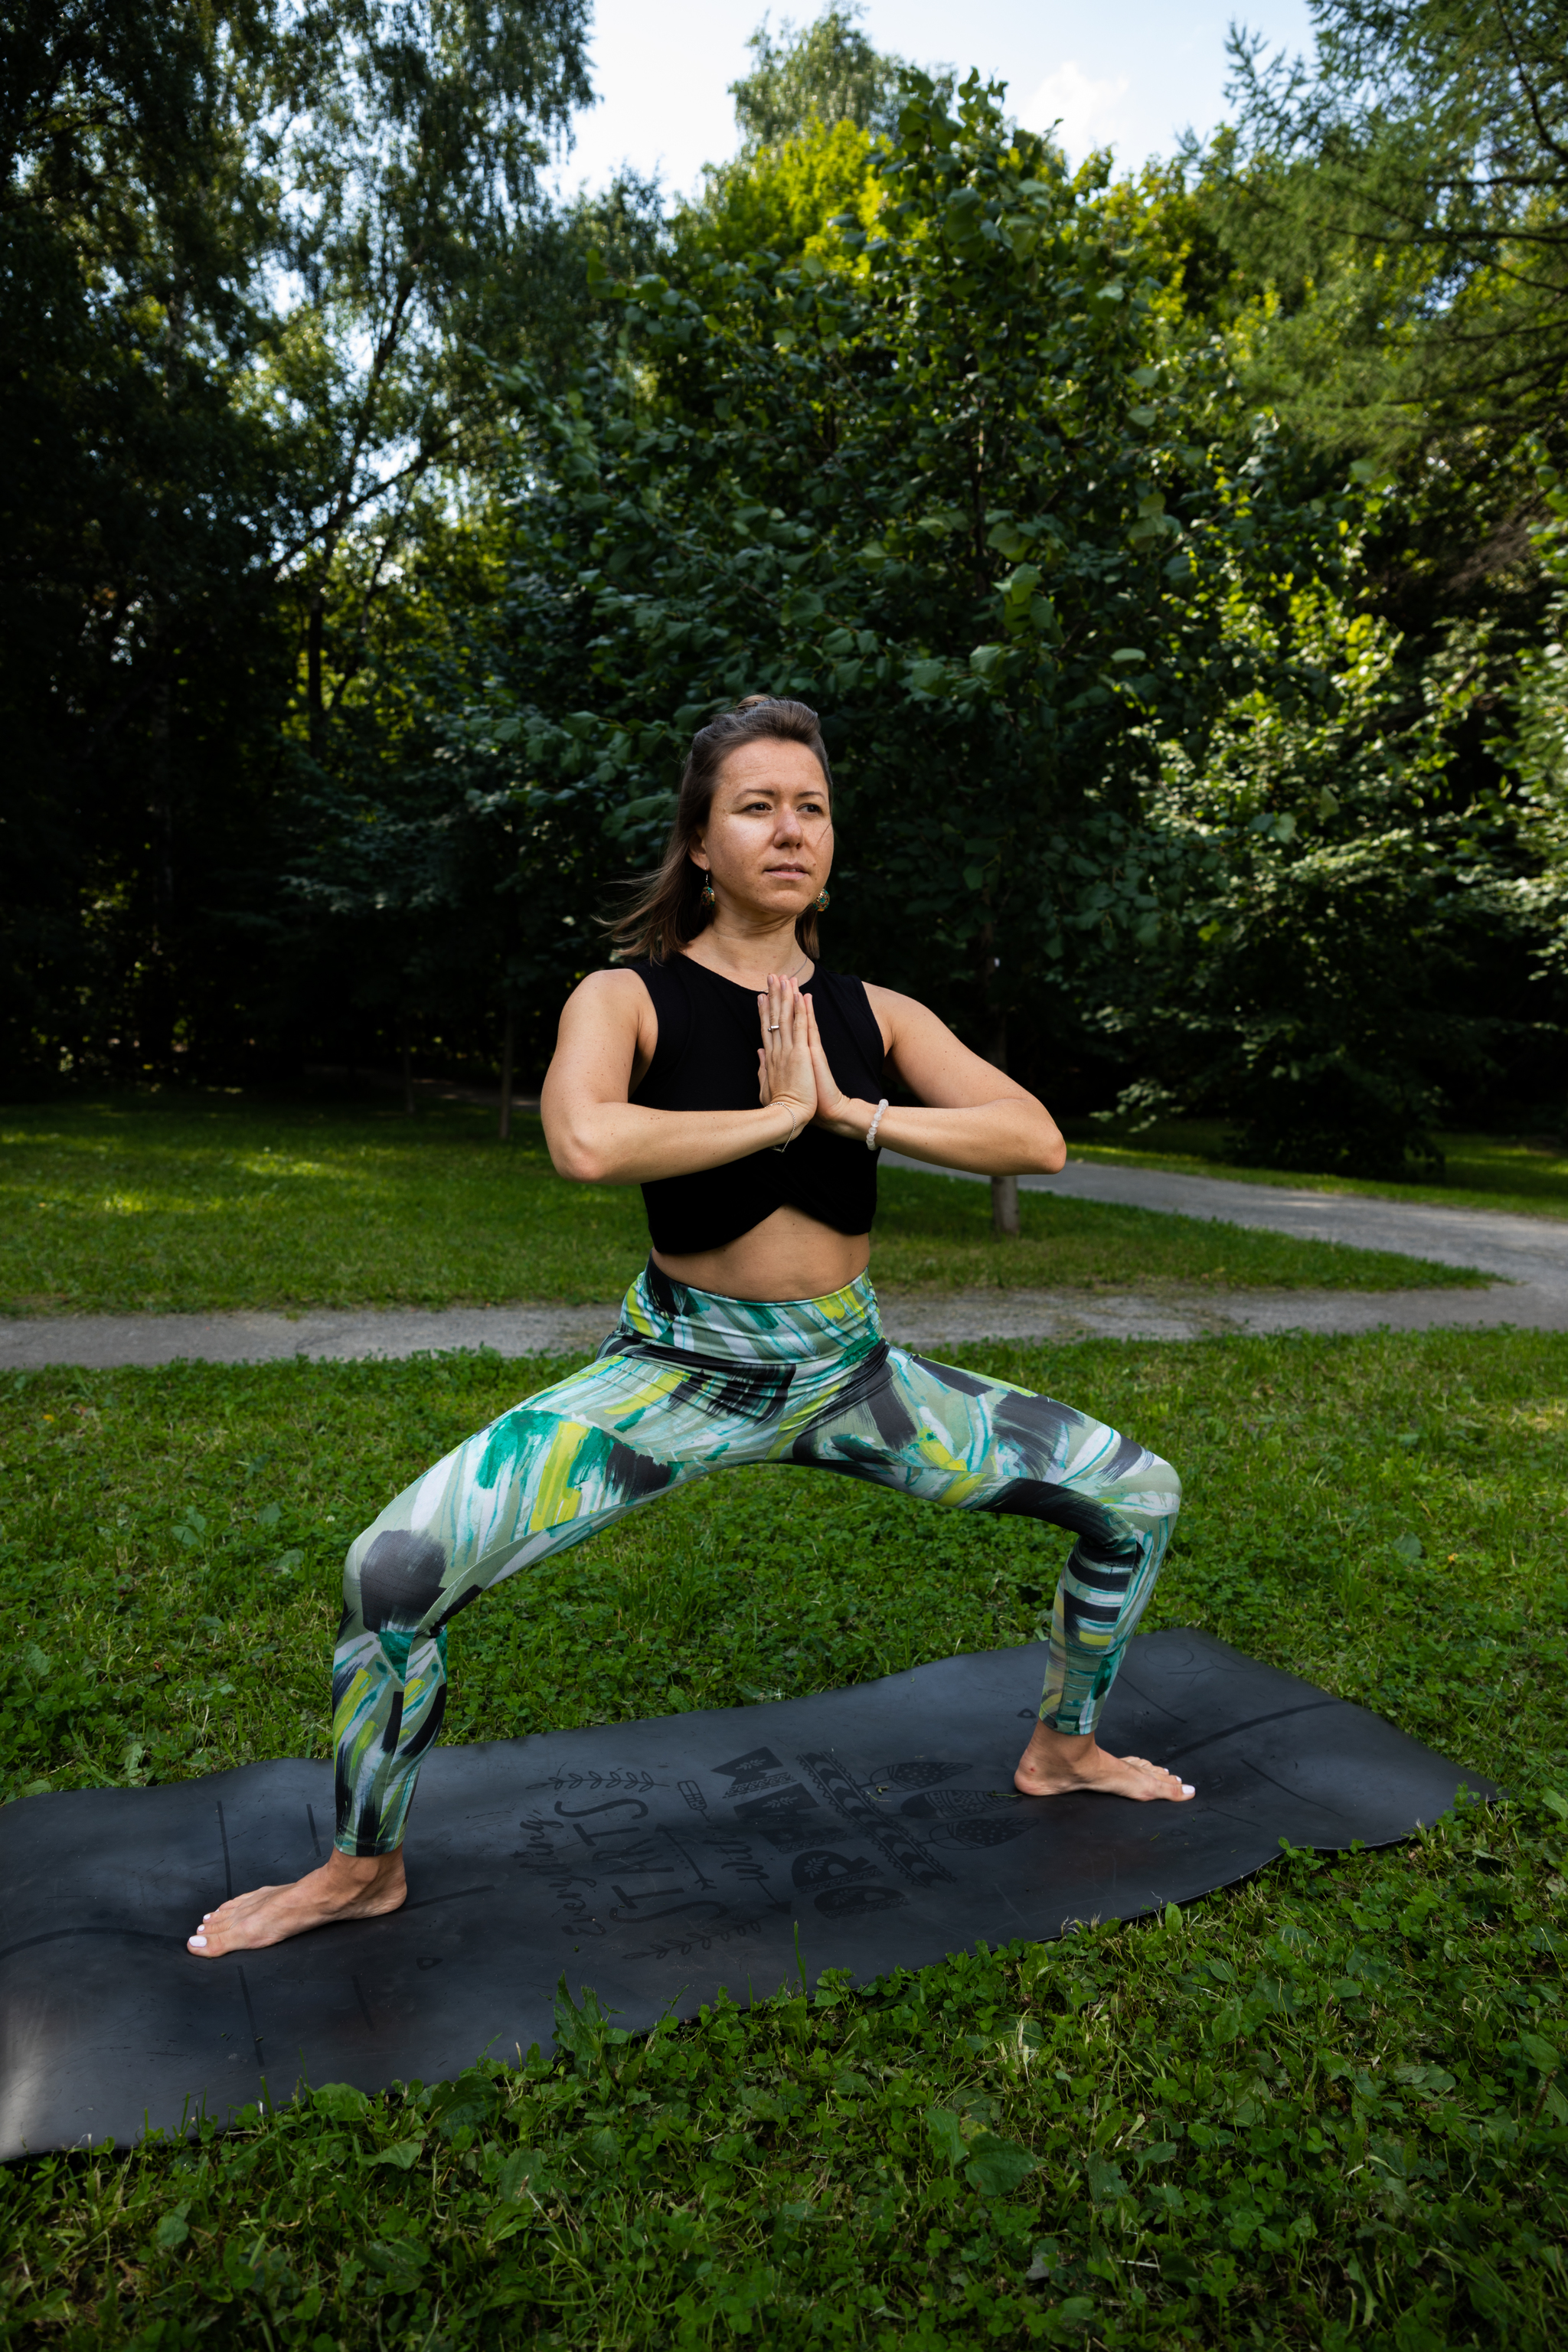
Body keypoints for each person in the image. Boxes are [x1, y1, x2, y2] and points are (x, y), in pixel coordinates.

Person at [188, 696, 1189, 1958]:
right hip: (679, 1372)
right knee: (390, 1575)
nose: (790, 830)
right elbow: (586, 1140)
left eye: (811, 807)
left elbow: (1033, 1137)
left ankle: (1065, 1747)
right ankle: (359, 1868)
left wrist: (849, 1111)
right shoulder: (628, 996)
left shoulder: (875, 1013)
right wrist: (772, 1122)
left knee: (1137, 1494)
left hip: (850, 1373)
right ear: (701, 844)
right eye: (756, 806)